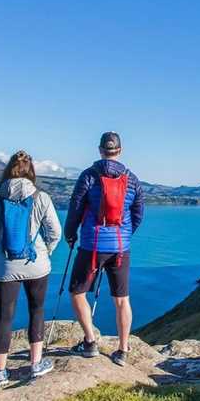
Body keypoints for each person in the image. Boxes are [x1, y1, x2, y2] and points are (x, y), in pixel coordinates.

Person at [0, 150, 62, 386]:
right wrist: (45, 252)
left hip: (5, 266)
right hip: (36, 265)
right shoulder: (41, 197)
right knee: (36, 310)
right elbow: (55, 232)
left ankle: (0, 371)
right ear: (31, 172)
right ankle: (36, 364)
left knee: (4, 316)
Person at [64, 132, 145, 367]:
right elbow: (138, 214)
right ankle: (123, 349)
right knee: (122, 299)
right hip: (120, 247)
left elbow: (75, 208)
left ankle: (90, 342)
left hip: (92, 245)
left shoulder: (88, 176)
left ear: (100, 150)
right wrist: (125, 235)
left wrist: (71, 235)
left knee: (78, 292)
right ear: (119, 151)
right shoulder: (132, 180)